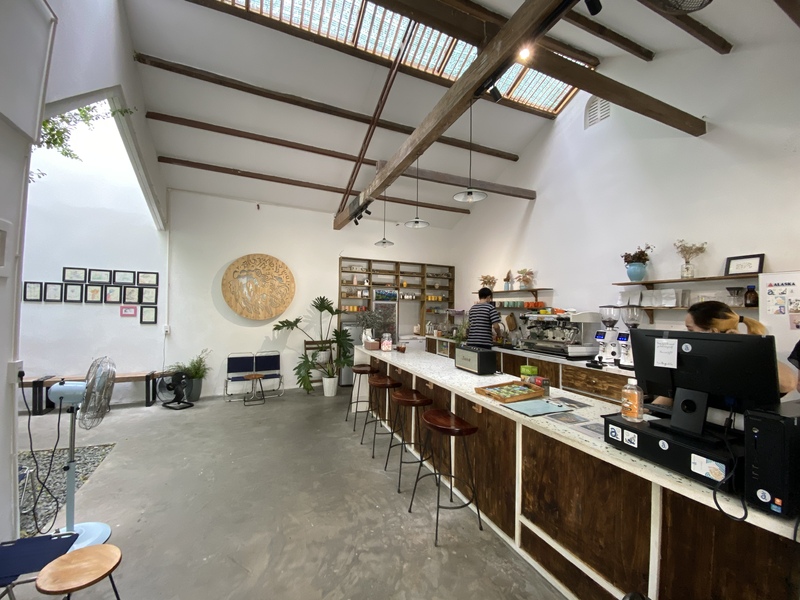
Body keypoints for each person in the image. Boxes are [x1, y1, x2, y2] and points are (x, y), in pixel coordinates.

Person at [653, 301, 797, 406]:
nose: (686, 334)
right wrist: (647, 412)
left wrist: (747, 348)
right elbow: (675, 393)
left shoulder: (744, 360)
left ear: (712, 331)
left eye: (690, 330)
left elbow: (788, 384)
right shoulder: (697, 363)